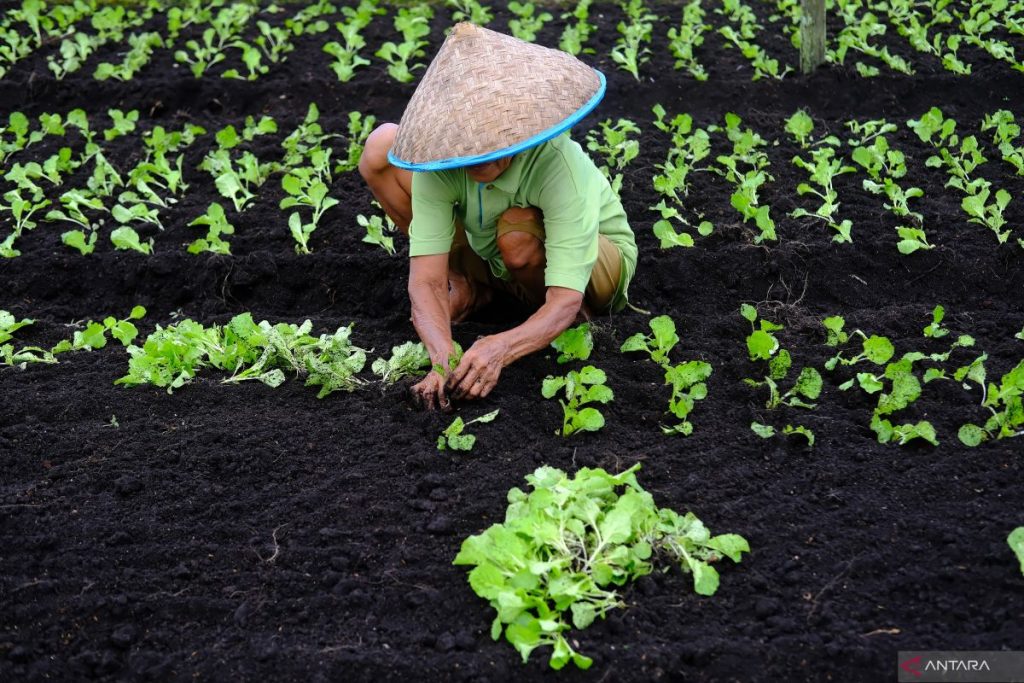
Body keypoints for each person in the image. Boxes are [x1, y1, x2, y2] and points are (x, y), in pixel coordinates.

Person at [358, 22, 637, 410]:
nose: (478, 157)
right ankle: (480, 290)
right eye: (466, 144)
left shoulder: (556, 163)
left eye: (490, 144)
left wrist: (501, 347)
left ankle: (559, 328)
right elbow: (425, 282)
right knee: (381, 145)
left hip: (596, 269)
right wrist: (444, 358)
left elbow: (564, 298)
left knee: (515, 234)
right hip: (492, 251)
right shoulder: (442, 160)